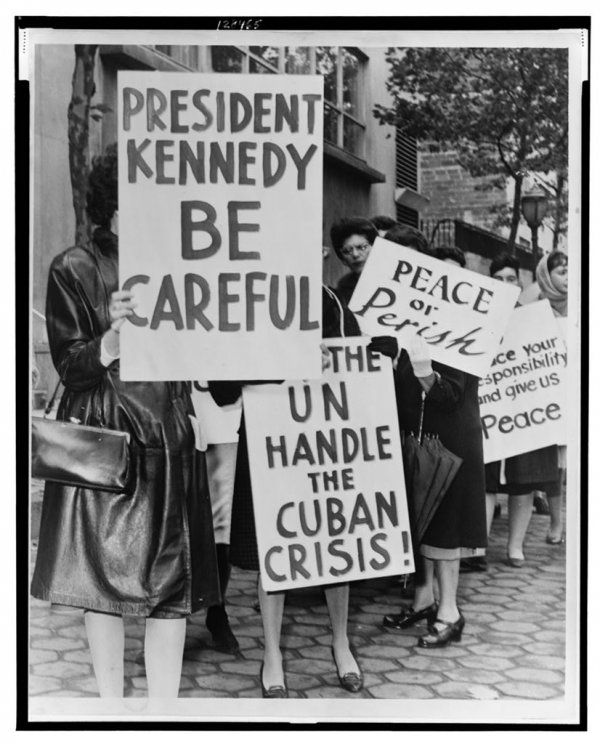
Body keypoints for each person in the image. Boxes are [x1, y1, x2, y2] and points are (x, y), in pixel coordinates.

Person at [30, 145, 220, 698]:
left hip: (170, 431)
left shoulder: (185, 261)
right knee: (97, 579)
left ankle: (164, 712)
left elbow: (205, 352)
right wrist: (110, 340)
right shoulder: (74, 266)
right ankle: (111, 709)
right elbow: (69, 364)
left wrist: (200, 398)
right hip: (105, 436)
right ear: (115, 200)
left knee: (171, 581)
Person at [210, 275, 398, 697]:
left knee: (335, 537)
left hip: (323, 444)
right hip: (269, 443)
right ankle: (272, 654)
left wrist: (384, 351)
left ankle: (340, 641)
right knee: (270, 550)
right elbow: (221, 390)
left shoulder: (327, 299)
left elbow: (355, 360)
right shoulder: (245, 304)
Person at [382, 233, 487, 648]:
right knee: (421, 522)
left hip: (450, 442)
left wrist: (422, 365)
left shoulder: (461, 323)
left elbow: (450, 394)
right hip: (417, 436)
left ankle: (450, 612)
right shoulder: (401, 316)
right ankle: (426, 600)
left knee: (444, 526)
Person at [463, 253, 561, 571]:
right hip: (489, 412)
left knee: (524, 480)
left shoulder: (533, 318)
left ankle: (515, 547)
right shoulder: (476, 316)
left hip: (525, 412)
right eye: (499, 278)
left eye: (511, 279)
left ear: (519, 284)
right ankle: (478, 545)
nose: (505, 284)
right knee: (485, 480)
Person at [536, 251, 568, 543]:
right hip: (552, 397)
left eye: (570, 271)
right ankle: (557, 523)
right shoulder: (536, 308)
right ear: (546, 275)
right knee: (557, 468)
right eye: (560, 272)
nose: (567, 277)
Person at [331, 217, 378, 305]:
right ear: (343, 260)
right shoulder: (344, 288)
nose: (355, 254)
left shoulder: (399, 274)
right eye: (347, 251)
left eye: (362, 247)